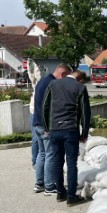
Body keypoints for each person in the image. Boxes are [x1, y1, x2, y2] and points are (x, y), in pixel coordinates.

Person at [42, 70, 91, 206]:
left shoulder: (53, 84)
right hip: (70, 130)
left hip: (54, 130)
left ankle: (60, 193)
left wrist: (47, 127)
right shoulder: (80, 88)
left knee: (57, 162)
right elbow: (85, 112)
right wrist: (84, 133)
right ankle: (71, 197)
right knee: (71, 163)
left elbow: (45, 106)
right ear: (80, 79)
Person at [33, 64, 72, 195]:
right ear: (63, 74)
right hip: (46, 126)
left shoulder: (42, 81)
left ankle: (40, 184)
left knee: (42, 154)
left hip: (37, 124)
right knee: (50, 155)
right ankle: (49, 186)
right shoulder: (54, 84)